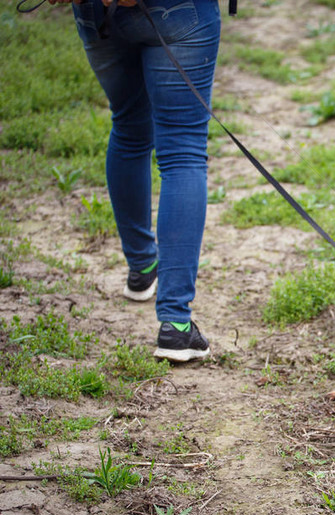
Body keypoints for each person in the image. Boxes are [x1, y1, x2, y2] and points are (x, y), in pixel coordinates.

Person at [51, 0, 220, 361]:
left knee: (128, 127)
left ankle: (143, 267)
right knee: (183, 149)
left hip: (96, 10)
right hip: (180, 10)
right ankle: (175, 324)